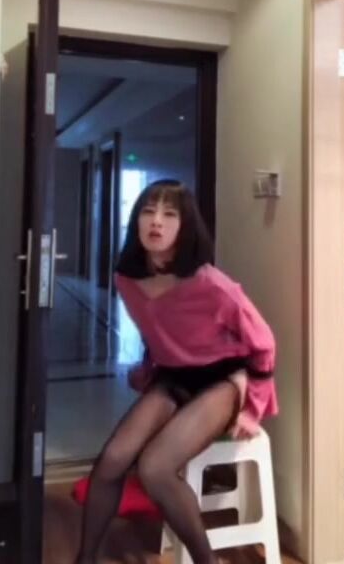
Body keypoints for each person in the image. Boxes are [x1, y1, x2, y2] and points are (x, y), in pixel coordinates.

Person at [75, 180, 278, 564]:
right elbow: (158, 330)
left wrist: (253, 408)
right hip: (173, 377)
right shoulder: (127, 280)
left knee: (155, 468)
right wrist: (148, 366)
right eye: (148, 211)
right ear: (136, 221)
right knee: (112, 461)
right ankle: (84, 560)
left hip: (221, 380)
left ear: (185, 228)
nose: (156, 221)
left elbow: (264, 341)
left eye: (170, 214)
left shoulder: (211, 284)